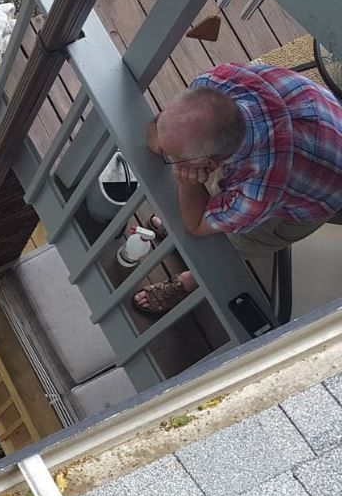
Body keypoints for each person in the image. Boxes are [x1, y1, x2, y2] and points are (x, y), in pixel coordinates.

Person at [134, 63, 342, 314]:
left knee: (238, 242)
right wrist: (167, 138)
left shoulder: (260, 188)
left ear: (211, 161)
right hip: (324, 123)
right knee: (216, 205)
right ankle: (187, 234)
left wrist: (186, 179)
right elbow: (159, 133)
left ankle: (191, 279)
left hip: (315, 195)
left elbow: (196, 224)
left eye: (171, 157)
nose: (167, 158)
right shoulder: (213, 81)